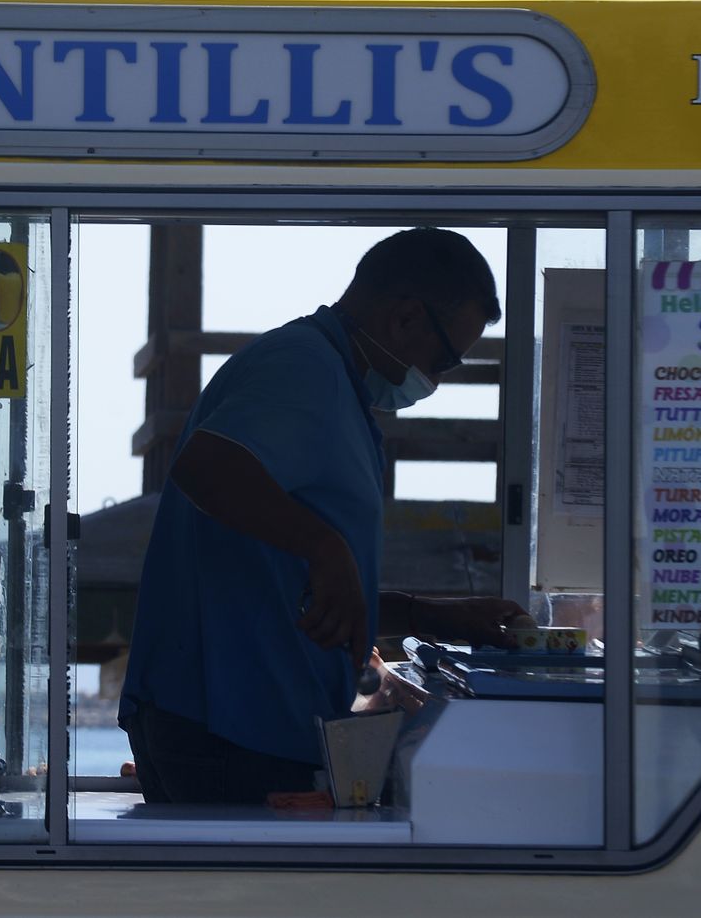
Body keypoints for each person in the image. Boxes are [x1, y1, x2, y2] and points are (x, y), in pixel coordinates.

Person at [118, 227, 532, 805]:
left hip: (259, 720)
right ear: (406, 319)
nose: (437, 380)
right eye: (444, 360)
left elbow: (306, 593)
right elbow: (204, 467)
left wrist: (432, 616)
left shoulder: (338, 386)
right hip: (228, 729)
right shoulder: (302, 367)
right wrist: (325, 546)